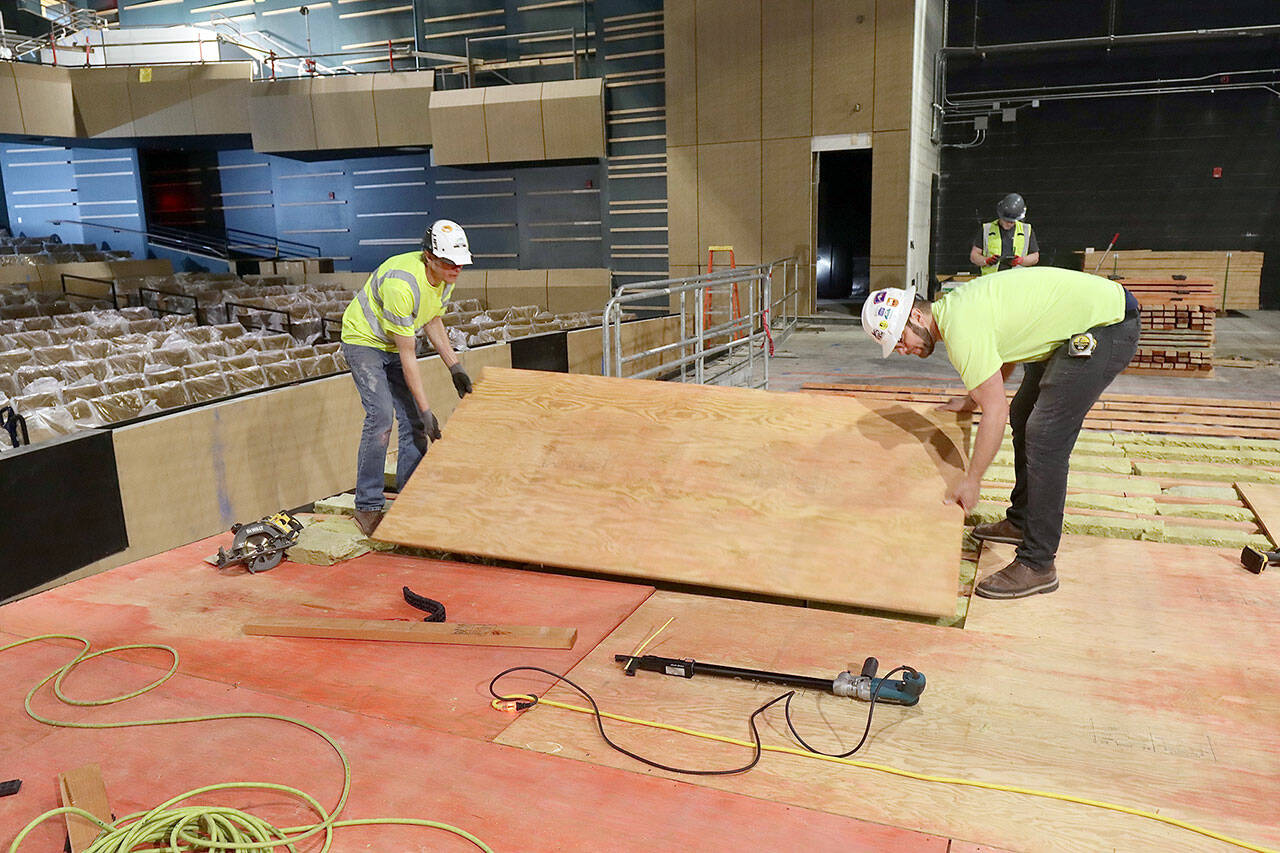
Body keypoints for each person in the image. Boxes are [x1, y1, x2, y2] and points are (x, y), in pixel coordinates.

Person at [860, 267, 1140, 599]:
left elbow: (996, 410)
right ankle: (1021, 520)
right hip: (1079, 324)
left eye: (900, 341)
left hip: (1106, 325)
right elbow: (999, 354)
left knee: (1045, 436)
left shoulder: (960, 328)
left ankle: (1038, 564)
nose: (901, 351)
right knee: (1024, 414)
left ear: (917, 317)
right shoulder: (957, 309)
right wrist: (971, 399)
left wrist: (972, 479)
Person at [340, 219, 475, 536]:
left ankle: (411, 496)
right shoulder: (402, 283)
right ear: (429, 256)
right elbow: (407, 355)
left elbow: (432, 320)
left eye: (460, 264)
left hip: (392, 343)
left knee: (412, 420)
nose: (456, 269)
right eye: (449, 263)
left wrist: (454, 366)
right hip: (364, 342)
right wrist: (427, 410)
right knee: (382, 417)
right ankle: (368, 506)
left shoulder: (445, 278)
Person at [969, 193, 1039, 275]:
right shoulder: (987, 229)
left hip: (1017, 280)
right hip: (992, 280)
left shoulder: (1026, 230)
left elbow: (1035, 257)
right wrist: (986, 260)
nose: (1009, 223)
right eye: (1007, 220)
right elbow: (974, 256)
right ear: (1001, 215)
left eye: (1012, 221)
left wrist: (1021, 260)